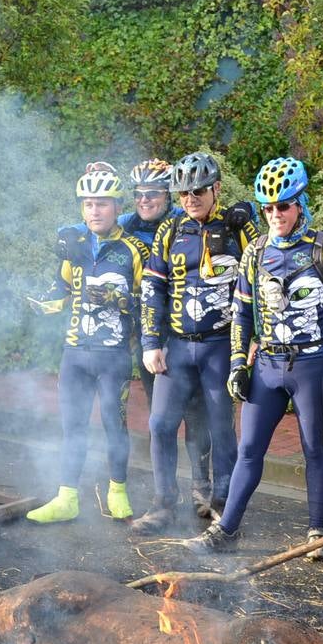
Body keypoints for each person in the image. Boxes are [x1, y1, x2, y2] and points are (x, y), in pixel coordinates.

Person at [185, 157, 323, 554]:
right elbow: (241, 312)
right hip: (268, 363)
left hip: (313, 363)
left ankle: (317, 532)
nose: (275, 214)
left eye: (284, 205)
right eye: (267, 207)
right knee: (248, 450)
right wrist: (238, 364)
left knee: (314, 447)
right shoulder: (256, 251)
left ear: (301, 204)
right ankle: (226, 529)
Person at [133, 152, 258, 535]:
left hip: (221, 345)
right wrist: (151, 341)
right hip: (177, 345)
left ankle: (222, 505)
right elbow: (153, 288)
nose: (191, 198)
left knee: (221, 428)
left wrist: (253, 341)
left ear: (216, 188)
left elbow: (263, 279)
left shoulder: (239, 228)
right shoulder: (170, 231)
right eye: (183, 192)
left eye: (199, 190)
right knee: (160, 423)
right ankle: (162, 505)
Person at [25, 165, 149, 524]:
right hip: (75, 352)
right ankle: (67, 498)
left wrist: (117, 298)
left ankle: (118, 492)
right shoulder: (75, 246)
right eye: (88, 204)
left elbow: (150, 303)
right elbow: (62, 289)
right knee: (73, 426)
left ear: (116, 206)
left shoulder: (133, 249)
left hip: (114, 355)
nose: (94, 211)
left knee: (114, 423)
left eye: (102, 204)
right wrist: (44, 302)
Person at [120, 158, 217, 519]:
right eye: (140, 194)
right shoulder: (126, 227)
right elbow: (90, 226)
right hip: (147, 340)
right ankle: (166, 498)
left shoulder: (183, 222)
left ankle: (201, 487)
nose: (146, 200)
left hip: (185, 335)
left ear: (167, 195)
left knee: (196, 414)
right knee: (160, 417)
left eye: (154, 194)